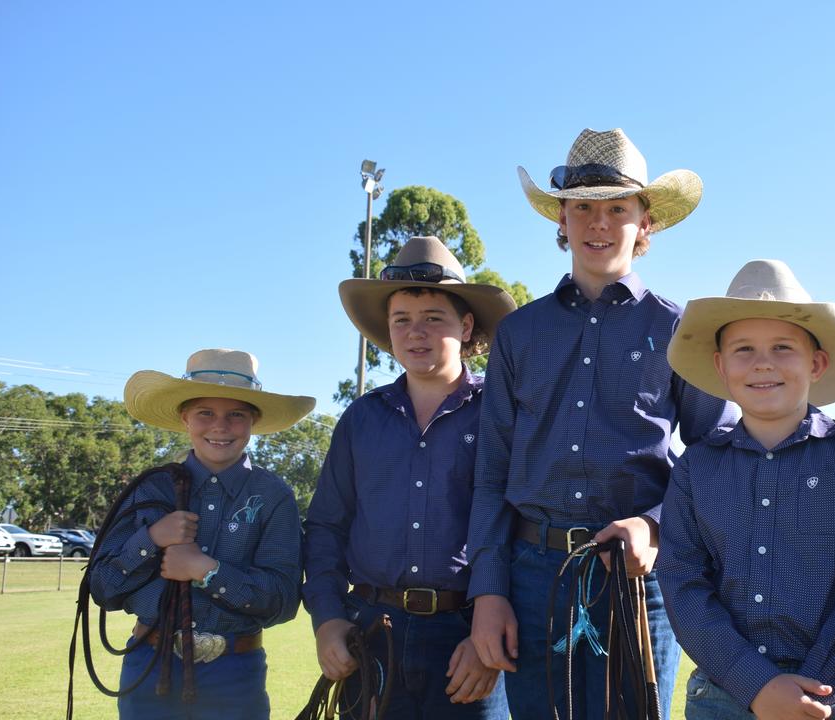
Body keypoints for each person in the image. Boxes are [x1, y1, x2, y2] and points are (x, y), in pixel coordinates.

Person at [465, 127, 740, 718]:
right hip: (532, 575)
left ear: (647, 224)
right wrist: (488, 590)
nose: (597, 224)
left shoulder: (680, 332)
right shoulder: (519, 333)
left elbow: (719, 452)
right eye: (582, 208)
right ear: (560, 220)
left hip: (637, 580)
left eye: (617, 208)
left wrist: (657, 526)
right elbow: (491, 470)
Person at [658, 259, 835, 720]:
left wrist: (806, 692)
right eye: (744, 349)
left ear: (817, 362)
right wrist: (757, 684)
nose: (763, 363)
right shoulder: (696, 468)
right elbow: (682, 584)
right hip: (723, 694)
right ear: (720, 366)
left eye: (782, 347)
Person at [303, 236, 516, 718]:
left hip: (470, 636)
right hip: (373, 635)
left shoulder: (503, 415)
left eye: (432, 319)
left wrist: (492, 632)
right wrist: (327, 618)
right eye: (402, 321)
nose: (415, 333)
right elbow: (325, 528)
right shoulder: (361, 419)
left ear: (465, 326)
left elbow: (521, 527)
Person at [91, 348, 314, 719]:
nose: (220, 426)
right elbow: (103, 588)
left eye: (236, 415)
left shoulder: (273, 495)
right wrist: (151, 541)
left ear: (253, 421)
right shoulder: (150, 490)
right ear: (185, 418)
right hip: (149, 665)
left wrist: (206, 570)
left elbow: (283, 600)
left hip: (235, 671)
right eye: (205, 413)